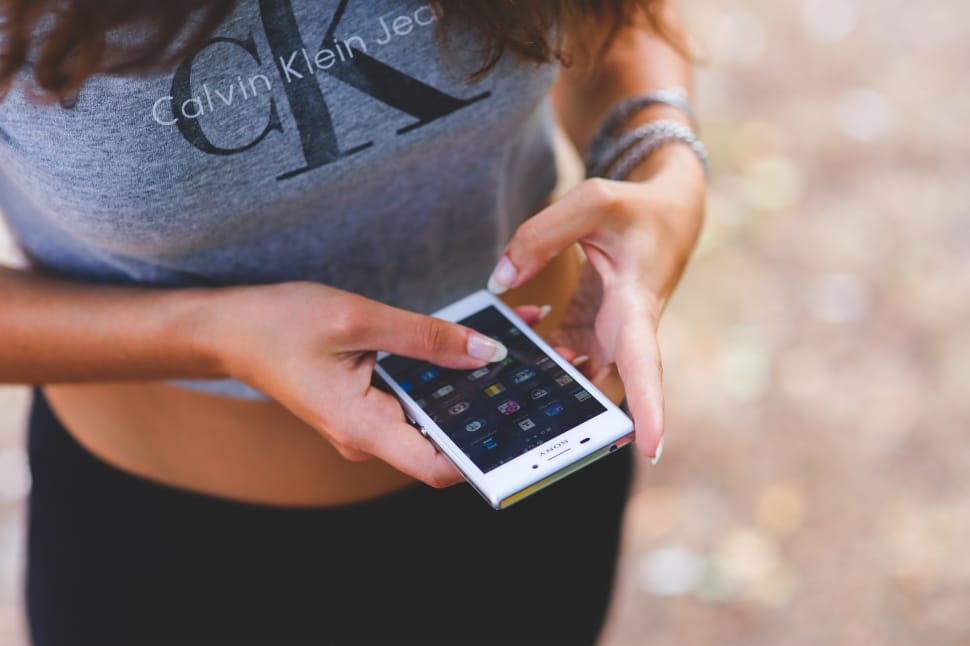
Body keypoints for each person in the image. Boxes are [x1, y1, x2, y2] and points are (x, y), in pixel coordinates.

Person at [0, 1, 707, 644]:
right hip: (169, 554)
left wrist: (661, 169)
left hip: (538, 474)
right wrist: (211, 334)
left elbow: (609, 24)